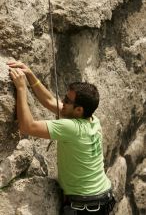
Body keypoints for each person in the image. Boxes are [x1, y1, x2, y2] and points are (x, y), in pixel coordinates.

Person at [8, 61, 115, 215]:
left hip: (86, 206)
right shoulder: (92, 119)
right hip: (102, 197)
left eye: (67, 101)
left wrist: (21, 88)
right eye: (65, 98)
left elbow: (27, 127)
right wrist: (30, 75)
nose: (62, 102)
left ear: (79, 109)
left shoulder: (72, 128)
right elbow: (50, 101)